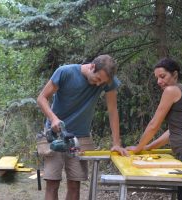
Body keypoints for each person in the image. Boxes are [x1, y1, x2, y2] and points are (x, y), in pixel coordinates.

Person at [37, 54, 128, 200]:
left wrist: (116, 143)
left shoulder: (107, 81)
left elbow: (112, 110)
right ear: (92, 66)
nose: (99, 85)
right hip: (55, 135)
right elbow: (41, 98)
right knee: (52, 183)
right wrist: (53, 118)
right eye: (98, 79)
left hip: (81, 137)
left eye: (102, 83)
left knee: (75, 184)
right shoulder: (65, 72)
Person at [126, 57, 182, 200]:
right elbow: (172, 131)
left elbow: (154, 125)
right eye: (157, 77)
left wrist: (138, 148)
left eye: (162, 76)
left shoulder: (171, 90)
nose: (159, 81)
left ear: (175, 75)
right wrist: (148, 146)